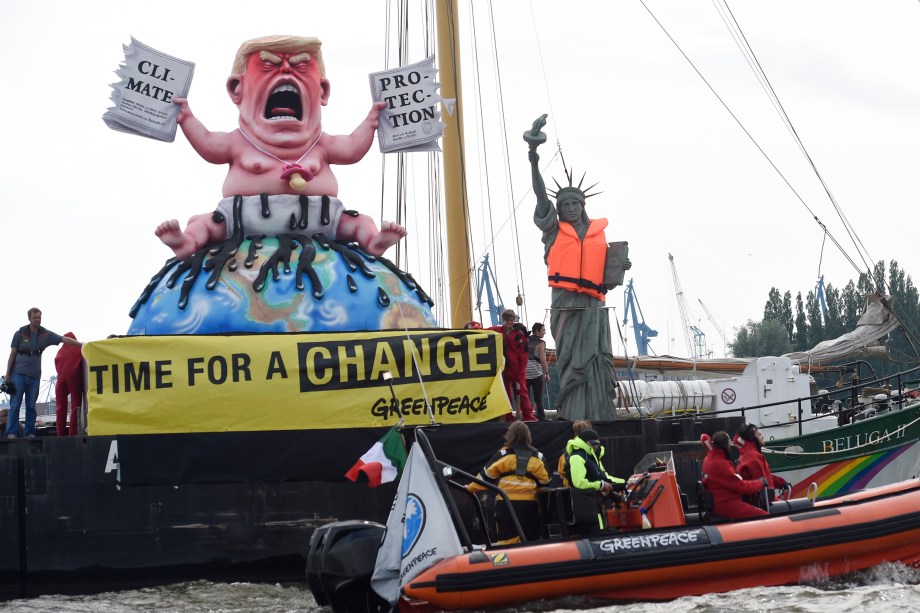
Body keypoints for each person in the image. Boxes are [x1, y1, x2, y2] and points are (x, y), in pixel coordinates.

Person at [155, 35, 406, 260]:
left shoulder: (323, 144)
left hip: (323, 219)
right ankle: (186, 241)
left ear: (322, 91)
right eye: (268, 64)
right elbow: (208, 143)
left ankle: (373, 241)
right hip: (241, 220)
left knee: (360, 222)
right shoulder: (237, 142)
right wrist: (186, 118)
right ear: (236, 89)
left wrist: (371, 122)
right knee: (204, 223)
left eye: (301, 65)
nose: (286, 70)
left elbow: (352, 148)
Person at [526, 115, 630, 421]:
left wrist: (618, 266)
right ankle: (572, 413)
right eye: (565, 206)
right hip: (567, 304)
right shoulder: (553, 231)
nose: (570, 209)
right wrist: (533, 156)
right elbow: (540, 194)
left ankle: (601, 410)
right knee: (573, 359)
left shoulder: (598, 235)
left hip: (595, 304)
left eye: (575, 204)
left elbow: (605, 277)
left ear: (582, 206)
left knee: (598, 358)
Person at [466, 421, 551, 544]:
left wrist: (469, 489)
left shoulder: (502, 455)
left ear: (510, 435)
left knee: (506, 542)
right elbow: (545, 483)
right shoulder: (538, 457)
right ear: (528, 436)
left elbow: (484, 478)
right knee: (530, 542)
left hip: (506, 505)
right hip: (529, 507)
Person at [5, 309, 83, 439]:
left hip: (34, 376)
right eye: (35, 317)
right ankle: (11, 433)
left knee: (31, 405)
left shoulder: (45, 335)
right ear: (29, 318)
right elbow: (12, 354)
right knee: (15, 405)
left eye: (39, 317)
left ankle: (29, 432)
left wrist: (81, 344)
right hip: (18, 374)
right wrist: (8, 374)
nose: (37, 320)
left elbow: (64, 339)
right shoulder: (19, 334)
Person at [564, 429, 625, 534]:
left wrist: (625, 482)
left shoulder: (589, 457)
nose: (596, 446)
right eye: (594, 443)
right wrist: (600, 485)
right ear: (585, 442)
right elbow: (579, 482)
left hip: (592, 507)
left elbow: (603, 477)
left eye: (598, 444)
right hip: (584, 510)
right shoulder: (577, 457)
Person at [700, 431, 769, 520]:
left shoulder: (709, 458)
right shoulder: (721, 464)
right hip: (727, 504)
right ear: (726, 445)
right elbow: (740, 487)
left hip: (718, 502)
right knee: (765, 516)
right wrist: (760, 483)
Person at [489, 309, 534, 421]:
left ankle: (528, 417)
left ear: (514, 320)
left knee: (521, 393)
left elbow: (524, 354)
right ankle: (509, 417)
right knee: (505, 394)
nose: (509, 322)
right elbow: (484, 330)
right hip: (503, 369)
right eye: (507, 320)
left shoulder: (519, 335)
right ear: (503, 320)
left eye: (511, 320)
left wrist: (522, 371)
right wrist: (473, 327)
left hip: (517, 370)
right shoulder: (498, 330)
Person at [733, 424, 789, 506]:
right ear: (753, 439)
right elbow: (762, 482)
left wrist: (781, 482)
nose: (762, 437)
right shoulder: (753, 456)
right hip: (759, 503)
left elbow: (765, 476)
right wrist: (771, 497)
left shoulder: (746, 454)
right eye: (759, 435)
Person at [55, 332, 85, 436]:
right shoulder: (79, 348)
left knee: (60, 408)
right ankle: (72, 433)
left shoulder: (59, 352)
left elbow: (57, 365)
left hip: (60, 381)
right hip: (74, 378)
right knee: (75, 406)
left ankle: (60, 434)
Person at [525, 323, 550, 420]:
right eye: (543, 330)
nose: (544, 332)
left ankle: (527, 417)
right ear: (537, 331)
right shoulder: (541, 343)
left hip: (525, 373)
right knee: (538, 398)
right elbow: (543, 359)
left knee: (526, 398)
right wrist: (546, 373)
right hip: (536, 374)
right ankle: (541, 417)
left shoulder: (526, 340)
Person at [557, 419, 592, 484]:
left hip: (570, 488)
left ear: (575, 432)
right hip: (589, 487)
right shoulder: (592, 449)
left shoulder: (567, 450)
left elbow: (561, 472)